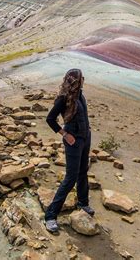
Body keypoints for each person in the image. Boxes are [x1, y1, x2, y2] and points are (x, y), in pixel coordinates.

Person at [44, 68, 94, 233]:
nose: (83, 80)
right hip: (73, 140)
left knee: (83, 171)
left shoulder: (80, 94)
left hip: (85, 137)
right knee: (71, 177)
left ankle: (83, 203)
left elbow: (84, 115)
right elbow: (50, 119)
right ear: (77, 80)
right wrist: (65, 134)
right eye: (81, 78)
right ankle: (51, 215)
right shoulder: (63, 98)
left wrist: (87, 132)